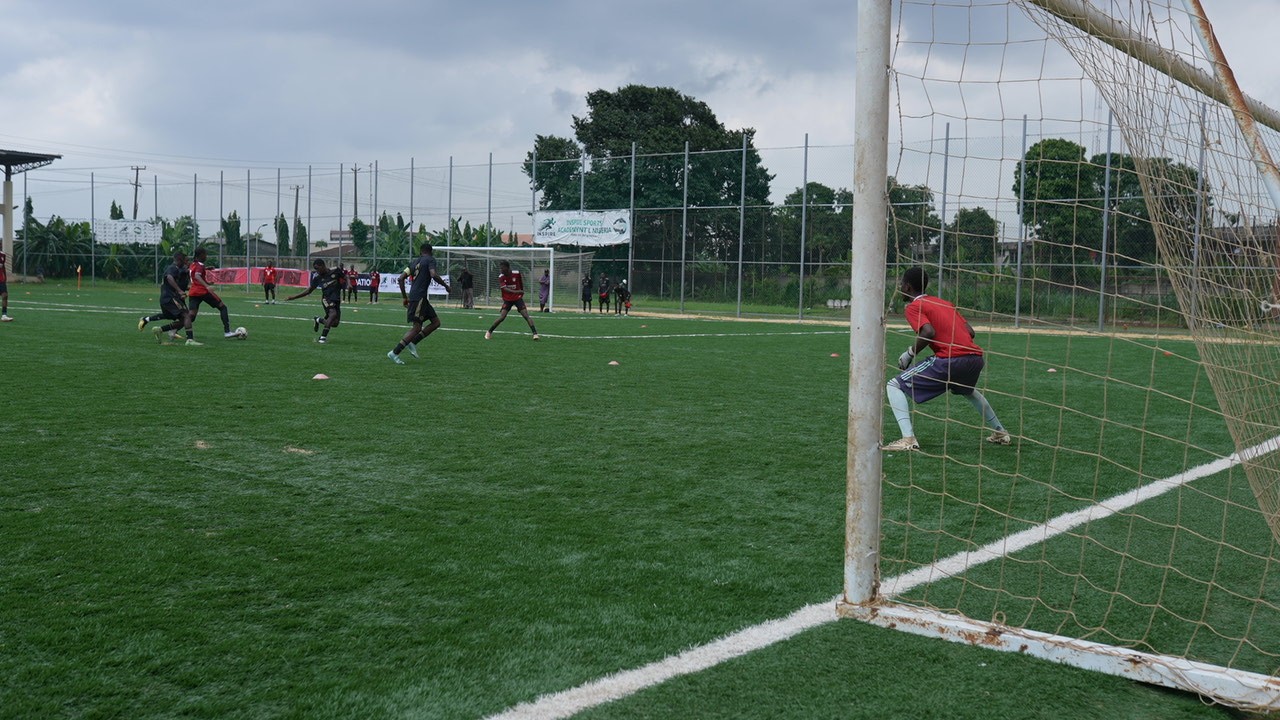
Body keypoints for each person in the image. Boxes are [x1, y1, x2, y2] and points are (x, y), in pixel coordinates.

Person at [883, 266, 1011, 451]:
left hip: (952, 359)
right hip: (975, 358)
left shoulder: (913, 307)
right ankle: (1000, 431)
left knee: (894, 385)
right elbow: (970, 332)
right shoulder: (944, 303)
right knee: (968, 391)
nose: (900, 287)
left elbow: (928, 332)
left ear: (908, 287)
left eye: (901, 284)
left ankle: (908, 439)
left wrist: (909, 353)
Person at [388, 242, 451, 364]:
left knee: (436, 322)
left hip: (418, 297)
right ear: (430, 251)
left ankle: (413, 342)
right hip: (419, 298)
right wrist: (446, 286)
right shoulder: (430, 260)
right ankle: (395, 352)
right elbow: (433, 274)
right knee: (417, 327)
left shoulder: (414, 262)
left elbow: (401, 278)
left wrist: (404, 297)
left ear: (421, 251)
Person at [139, 251, 199, 345]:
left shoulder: (176, 269)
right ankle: (190, 340)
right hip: (170, 298)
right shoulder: (173, 268)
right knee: (186, 316)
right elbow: (169, 277)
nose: (186, 262)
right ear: (180, 260)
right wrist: (179, 291)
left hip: (166, 299)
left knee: (182, 319)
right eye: (185, 260)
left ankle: (160, 329)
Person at [286, 258, 346, 344]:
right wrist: (294, 297)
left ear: (323, 266)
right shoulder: (317, 278)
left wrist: (349, 283)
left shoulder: (335, 270)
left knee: (335, 323)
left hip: (336, 299)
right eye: (315, 269)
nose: (316, 271)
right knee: (333, 314)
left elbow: (345, 276)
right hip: (326, 299)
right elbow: (309, 291)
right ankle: (322, 338)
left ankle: (318, 319)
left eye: (317, 268)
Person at [187, 247, 237, 338]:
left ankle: (174, 329)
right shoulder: (200, 265)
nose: (206, 256)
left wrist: (206, 269)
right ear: (201, 255)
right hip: (202, 291)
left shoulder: (193, 264)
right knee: (222, 307)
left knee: (192, 316)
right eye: (205, 254)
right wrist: (207, 286)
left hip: (193, 292)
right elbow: (197, 276)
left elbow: (194, 273)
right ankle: (227, 332)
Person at [484, 261, 540, 341]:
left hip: (517, 298)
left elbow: (520, 283)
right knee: (502, 317)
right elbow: (504, 288)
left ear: (507, 267)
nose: (501, 269)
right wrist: (517, 291)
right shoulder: (501, 276)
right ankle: (489, 332)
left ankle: (535, 334)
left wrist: (520, 293)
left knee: (526, 315)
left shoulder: (516, 273)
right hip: (507, 299)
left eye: (502, 268)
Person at [0, 248, 11, 322]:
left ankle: (4, 315)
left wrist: (5, 278)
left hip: (1, 280)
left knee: (5, 295)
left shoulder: (2, 254)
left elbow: (2, 267)